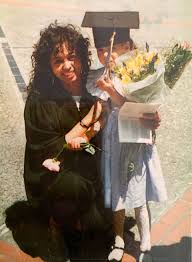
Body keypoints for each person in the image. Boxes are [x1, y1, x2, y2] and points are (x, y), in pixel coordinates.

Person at [82, 11, 167, 262]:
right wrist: (90, 120)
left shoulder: (138, 75)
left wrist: (154, 118)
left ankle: (146, 240)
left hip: (135, 143)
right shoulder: (100, 77)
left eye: (115, 49)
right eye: (102, 50)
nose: (108, 55)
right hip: (112, 143)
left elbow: (135, 106)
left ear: (129, 47)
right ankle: (118, 239)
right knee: (117, 194)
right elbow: (99, 108)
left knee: (138, 194)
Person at [23, 22, 112, 260]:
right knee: (76, 193)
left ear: (82, 58)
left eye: (72, 57)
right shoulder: (39, 100)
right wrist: (87, 121)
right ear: (48, 66)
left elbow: (94, 147)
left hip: (82, 165)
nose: (67, 66)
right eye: (58, 61)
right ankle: (56, 225)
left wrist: (97, 129)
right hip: (50, 173)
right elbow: (50, 151)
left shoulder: (89, 92)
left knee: (100, 232)